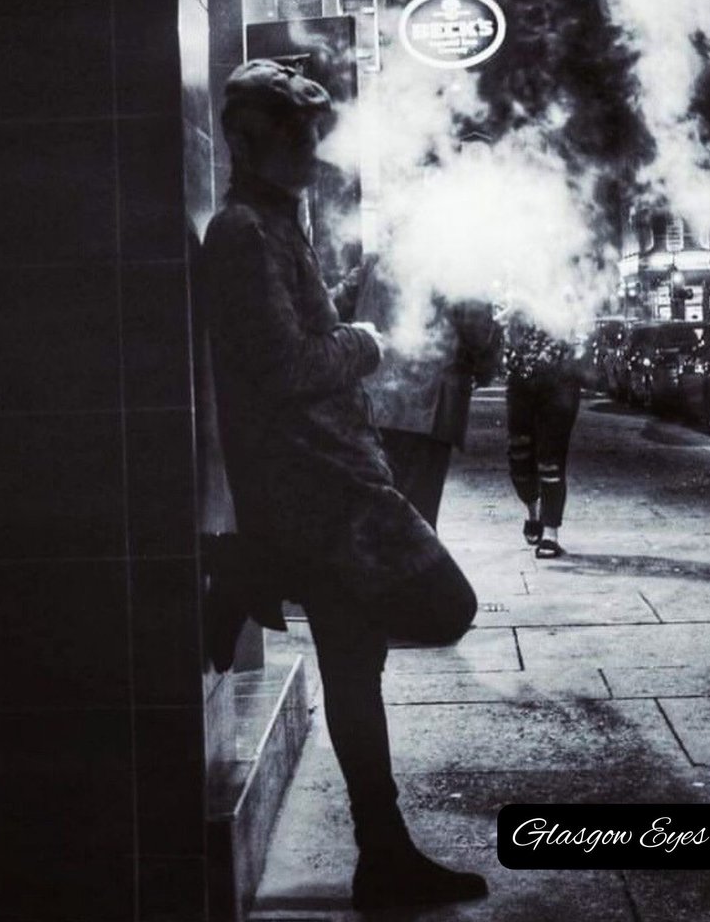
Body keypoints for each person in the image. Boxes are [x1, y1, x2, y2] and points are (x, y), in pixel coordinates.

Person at [201, 59, 487, 911]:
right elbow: (286, 366)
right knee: (446, 607)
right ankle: (253, 565)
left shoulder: (280, 224)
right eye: (298, 136)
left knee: (356, 671)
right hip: (322, 495)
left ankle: (385, 852)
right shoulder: (245, 231)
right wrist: (365, 340)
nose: (314, 151)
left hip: (332, 486)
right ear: (255, 141)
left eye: (313, 135)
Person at [345, 259, 502, 529]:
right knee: (419, 517)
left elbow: (332, 307)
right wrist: (487, 365)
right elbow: (476, 328)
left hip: (374, 403)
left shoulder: (374, 262)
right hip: (428, 410)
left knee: (380, 511)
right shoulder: (456, 260)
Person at [504, 312, 582, 558]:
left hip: (560, 384)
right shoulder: (515, 292)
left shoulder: (568, 289)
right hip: (520, 383)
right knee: (520, 456)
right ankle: (533, 513)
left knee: (551, 458)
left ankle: (550, 532)